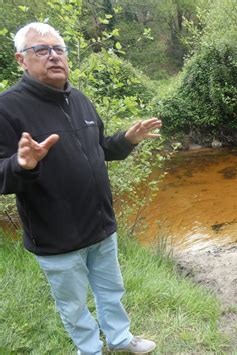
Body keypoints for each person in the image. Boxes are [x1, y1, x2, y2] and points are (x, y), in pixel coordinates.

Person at [0, 22, 162, 354]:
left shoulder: (80, 99)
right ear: (21, 60)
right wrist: (21, 165)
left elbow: (99, 148)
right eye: (41, 50)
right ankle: (89, 349)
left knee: (111, 290)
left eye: (59, 49)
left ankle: (119, 339)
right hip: (56, 236)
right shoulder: (6, 108)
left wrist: (126, 140)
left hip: (100, 225)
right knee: (73, 305)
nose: (54, 56)